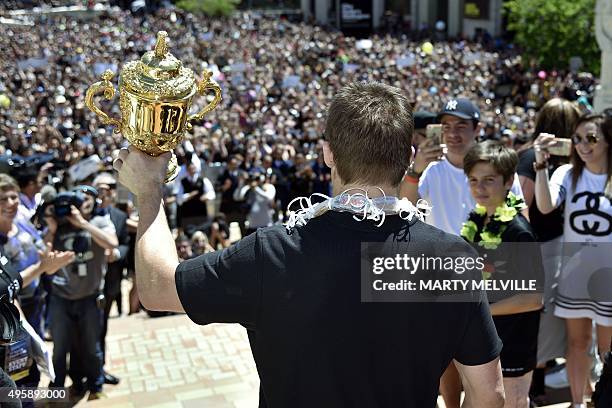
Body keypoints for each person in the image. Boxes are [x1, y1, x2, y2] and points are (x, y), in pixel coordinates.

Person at [113, 81, 505, 407]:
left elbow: (156, 289)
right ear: (408, 157)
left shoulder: (271, 252)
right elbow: (490, 397)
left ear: (328, 153)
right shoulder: (452, 259)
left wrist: (148, 192)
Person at [400, 97, 524, 408]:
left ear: (477, 129)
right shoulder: (430, 170)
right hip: (443, 275)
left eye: (461, 126)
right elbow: (405, 208)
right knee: (448, 361)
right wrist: (415, 170)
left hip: (491, 273)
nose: (453, 133)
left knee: (486, 362)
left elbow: (518, 214)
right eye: (447, 127)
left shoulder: (496, 165)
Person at [533, 111, 612, 408]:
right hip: (575, 273)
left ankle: (604, 399)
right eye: (577, 138)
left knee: (608, 348)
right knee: (576, 345)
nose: (582, 145)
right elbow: (545, 205)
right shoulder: (565, 173)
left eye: (591, 138)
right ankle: (578, 403)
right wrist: (540, 163)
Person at [462, 141, 544, 408]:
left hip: (515, 340)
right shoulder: (476, 220)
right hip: (485, 339)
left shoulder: (519, 232)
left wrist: (479, 308)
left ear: (509, 181)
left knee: (513, 403)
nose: (479, 188)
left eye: (488, 180)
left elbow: (533, 298)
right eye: (473, 179)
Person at [515, 97, 582, 401]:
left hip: (557, 249)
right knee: (541, 319)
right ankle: (534, 389)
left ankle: (538, 387)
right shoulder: (532, 158)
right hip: (546, 250)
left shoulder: (568, 162)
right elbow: (521, 207)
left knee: (548, 319)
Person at [46, 185, 118, 400]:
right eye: (79, 198)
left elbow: (112, 243)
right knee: (59, 349)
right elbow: (45, 259)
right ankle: (57, 389)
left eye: (87, 198)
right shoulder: (60, 225)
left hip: (90, 297)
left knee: (91, 346)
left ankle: (96, 386)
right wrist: (51, 228)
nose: (82, 202)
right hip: (61, 297)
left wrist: (83, 224)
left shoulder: (99, 222)